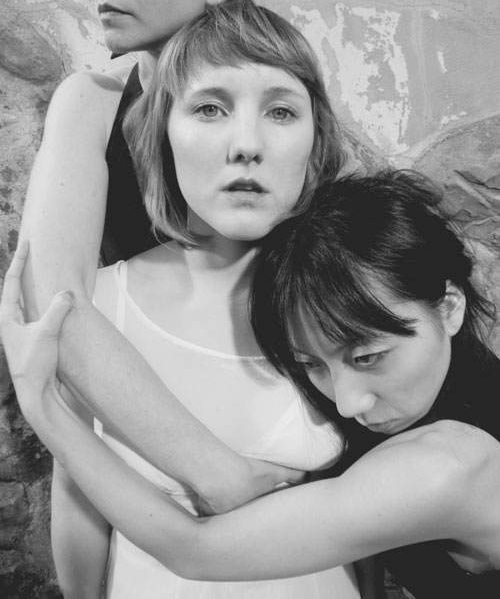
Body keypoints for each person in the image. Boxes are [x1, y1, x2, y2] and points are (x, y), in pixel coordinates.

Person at [3, 170, 500, 599]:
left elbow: (193, 549)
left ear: (450, 307)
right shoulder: (439, 383)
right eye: (312, 365)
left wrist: (43, 405)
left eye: (367, 357)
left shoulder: (450, 463)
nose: (347, 403)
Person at [19, 0, 362, 599]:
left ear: (315, 141)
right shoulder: (98, 309)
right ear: (163, 134)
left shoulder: (346, 300)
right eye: (209, 108)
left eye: (281, 111)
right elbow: (78, 501)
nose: (246, 145)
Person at [18, 0, 302, 528]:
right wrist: (216, 472)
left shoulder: (285, 91)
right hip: (139, 420)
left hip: (279, 407)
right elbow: (54, 308)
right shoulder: (90, 101)